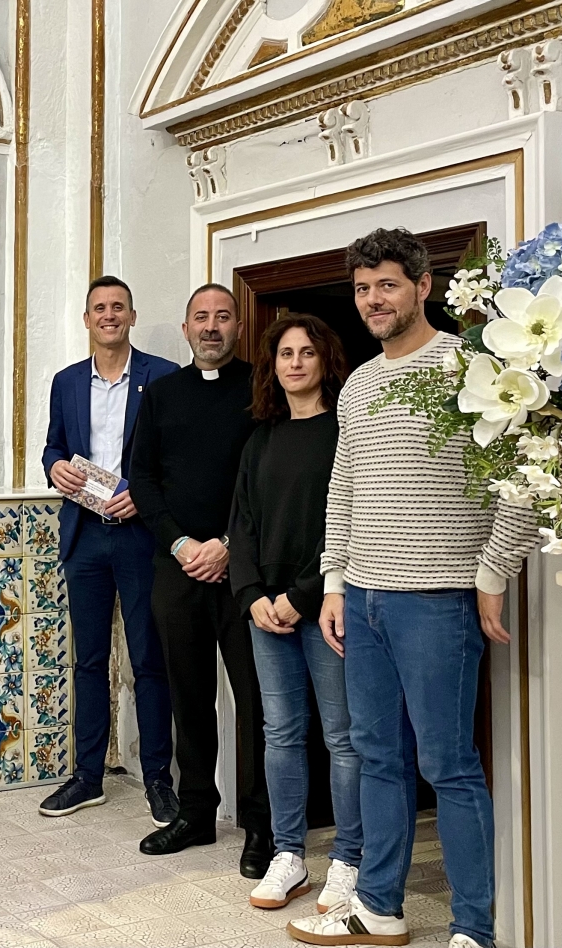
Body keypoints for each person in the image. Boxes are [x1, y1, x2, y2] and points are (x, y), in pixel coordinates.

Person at [288, 229, 538, 948]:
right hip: (362, 599)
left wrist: (492, 573)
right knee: (377, 759)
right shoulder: (359, 383)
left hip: (436, 600)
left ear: (423, 286)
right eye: (363, 288)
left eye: (387, 285)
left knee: (448, 766)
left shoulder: (470, 365)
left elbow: (519, 480)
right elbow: (344, 487)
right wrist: (333, 582)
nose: (373, 300)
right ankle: (379, 907)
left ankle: (474, 928)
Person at [128, 284, 273, 878]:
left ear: (239, 325)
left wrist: (230, 547)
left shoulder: (262, 390)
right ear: (186, 328)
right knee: (187, 695)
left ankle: (262, 826)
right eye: (201, 318)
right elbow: (142, 480)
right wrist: (182, 544)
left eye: (223, 316)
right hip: (179, 568)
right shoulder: (162, 394)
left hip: (246, 574)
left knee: (257, 701)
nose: (211, 327)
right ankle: (195, 813)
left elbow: (269, 481)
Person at [228, 315, 362, 914]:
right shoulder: (261, 439)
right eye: (286, 354)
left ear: (325, 360)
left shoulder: (344, 433)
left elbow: (349, 525)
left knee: (342, 738)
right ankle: (289, 855)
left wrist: (300, 595)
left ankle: (349, 860)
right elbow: (241, 525)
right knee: (280, 734)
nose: (296, 363)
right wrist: (252, 595)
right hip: (267, 612)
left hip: (326, 605)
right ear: (273, 366)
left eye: (307, 352)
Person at [38, 275, 180, 826]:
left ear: (132, 316)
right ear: (87, 319)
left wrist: (144, 498)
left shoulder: (162, 377)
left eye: (118, 306)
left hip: (140, 535)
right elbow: (53, 445)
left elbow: (174, 459)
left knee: (148, 660)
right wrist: (54, 466)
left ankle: (159, 780)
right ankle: (87, 777)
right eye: (99, 307)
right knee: (89, 661)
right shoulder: (67, 381)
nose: (109, 315)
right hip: (85, 535)